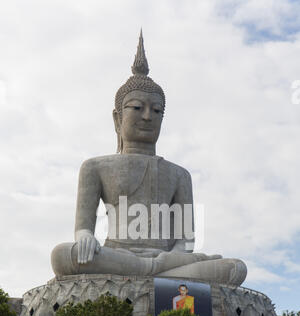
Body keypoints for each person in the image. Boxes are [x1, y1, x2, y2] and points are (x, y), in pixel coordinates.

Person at [51, 31, 247, 287]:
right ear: (117, 118)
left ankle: (149, 270)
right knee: (64, 255)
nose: (147, 116)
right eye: (137, 108)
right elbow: (83, 228)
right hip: (117, 257)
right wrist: (86, 236)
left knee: (234, 268)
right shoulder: (95, 167)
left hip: (167, 260)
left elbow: (185, 242)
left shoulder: (179, 175)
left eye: (156, 110)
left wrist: (168, 259)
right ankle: (151, 272)